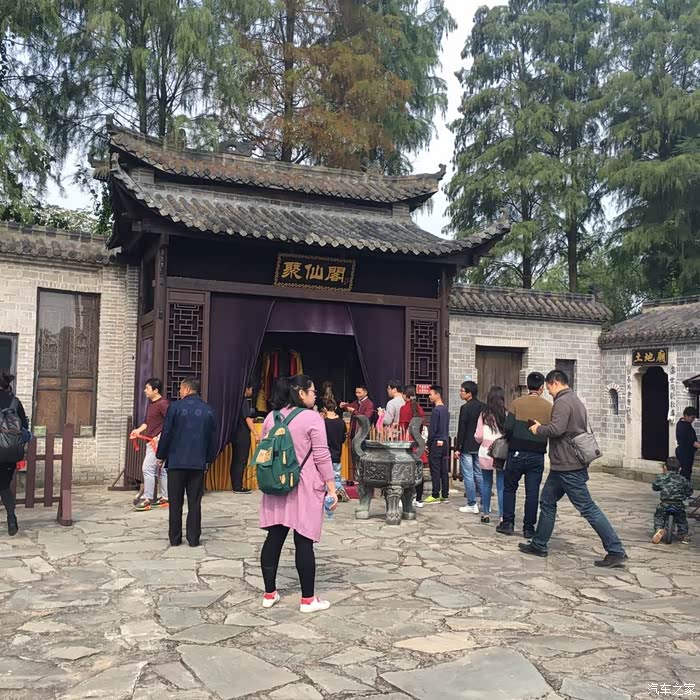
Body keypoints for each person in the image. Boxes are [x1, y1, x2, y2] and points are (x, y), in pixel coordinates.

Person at [520, 370, 628, 568]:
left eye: (549, 387)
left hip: (567, 465)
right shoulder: (575, 399)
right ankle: (539, 543)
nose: (548, 392)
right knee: (547, 501)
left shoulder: (562, 402)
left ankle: (615, 550)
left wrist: (538, 429)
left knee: (587, 508)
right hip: (563, 464)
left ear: (555, 382)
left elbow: (557, 429)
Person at [259, 375, 338, 614]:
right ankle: (307, 599)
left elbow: (263, 448)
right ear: (301, 393)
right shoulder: (312, 418)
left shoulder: (271, 418)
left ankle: (269, 594)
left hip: (276, 484)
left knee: (274, 538)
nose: (315, 396)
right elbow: (321, 455)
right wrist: (332, 487)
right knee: (304, 542)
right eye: (313, 392)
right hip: (303, 485)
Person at [156, 377, 217, 547]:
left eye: (181, 389)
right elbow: (213, 438)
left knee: (175, 502)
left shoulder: (175, 408)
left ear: (188, 389)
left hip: (176, 462)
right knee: (195, 502)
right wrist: (209, 459)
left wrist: (161, 455)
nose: (179, 392)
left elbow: (166, 433)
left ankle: (175, 538)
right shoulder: (208, 410)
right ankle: (193, 538)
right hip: (197, 463)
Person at [497, 372, 552, 538]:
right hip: (537, 454)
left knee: (510, 488)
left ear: (527, 386)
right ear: (541, 388)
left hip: (517, 452)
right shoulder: (548, 407)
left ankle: (508, 523)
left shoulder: (516, 403)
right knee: (532, 492)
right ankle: (528, 528)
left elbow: (508, 427)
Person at [131, 378, 170, 511]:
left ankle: (147, 499)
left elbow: (171, 422)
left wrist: (160, 437)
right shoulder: (151, 404)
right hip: (151, 441)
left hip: (157, 443)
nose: (145, 391)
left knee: (147, 468)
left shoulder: (163, 404)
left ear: (156, 390)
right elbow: (147, 423)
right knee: (162, 470)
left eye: (147, 388)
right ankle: (165, 498)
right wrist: (137, 431)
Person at [0, 371, 27, 536]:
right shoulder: (15, 402)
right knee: (4, 486)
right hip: (9, 453)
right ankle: (11, 519)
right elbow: (24, 427)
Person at [474, 386, 507, 525]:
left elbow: (478, 436)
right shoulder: (506, 414)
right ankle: (502, 516)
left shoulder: (484, 415)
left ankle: (486, 513)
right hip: (501, 452)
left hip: (486, 452)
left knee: (486, 483)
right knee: (501, 485)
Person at [455, 381, 484, 515]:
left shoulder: (465, 408)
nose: (460, 393)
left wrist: (458, 447)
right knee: (479, 474)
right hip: (480, 445)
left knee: (468, 475)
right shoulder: (483, 407)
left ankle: (472, 503)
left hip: (467, 445)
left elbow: (462, 429)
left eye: (462, 391)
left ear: (469, 393)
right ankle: (485, 502)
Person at [651, 457, 693, 544]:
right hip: (678, 504)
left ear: (665, 467)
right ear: (680, 469)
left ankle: (659, 529)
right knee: (682, 519)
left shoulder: (661, 478)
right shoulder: (683, 479)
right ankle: (684, 535)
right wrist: (685, 494)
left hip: (665, 503)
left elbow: (655, 487)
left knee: (659, 516)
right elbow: (689, 491)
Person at [399, 384, 428, 508]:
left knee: (404, 471)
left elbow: (402, 427)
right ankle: (419, 499)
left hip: (407, 442)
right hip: (418, 442)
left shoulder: (404, 408)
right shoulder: (420, 408)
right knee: (418, 472)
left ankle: (404, 498)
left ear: (405, 395)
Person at [424, 385, 450, 504]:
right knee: (444, 469)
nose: (429, 397)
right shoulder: (446, 410)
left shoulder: (436, 411)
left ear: (437, 395)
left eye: (431, 394)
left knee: (435, 469)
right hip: (445, 443)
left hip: (436, 442)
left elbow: (433, 430)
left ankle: (435, 494)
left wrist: (428, 443)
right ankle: (445, 494)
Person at [230, 383, 258, 494]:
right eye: (251, 389)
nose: (252, 392)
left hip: (235, 434)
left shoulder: (235, 401)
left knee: (236, 460)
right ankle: (238, 486)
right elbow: (247, 418)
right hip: (242, 434)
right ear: (247, 388)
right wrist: (256, 433)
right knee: (241, 460)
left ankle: (235, 484)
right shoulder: (243, 401)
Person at [324, 398, 349, 502]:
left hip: (325, 454)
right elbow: (343, 438)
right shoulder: (341, 423)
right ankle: (339, 491)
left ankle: (329, 493)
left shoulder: (323, 423)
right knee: (336, 475)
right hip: (337, 453)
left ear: (325, 408)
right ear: (335, 407)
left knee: (324, 476)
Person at [675, 406, 700, 482]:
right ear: (686, 416)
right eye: (692, 417)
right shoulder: (684, 426)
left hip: (685, 452)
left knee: (685, 472)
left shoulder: (682, 423)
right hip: (685, 453)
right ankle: (684, 488)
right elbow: (692, 442)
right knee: (685, 473)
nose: (693, 420)